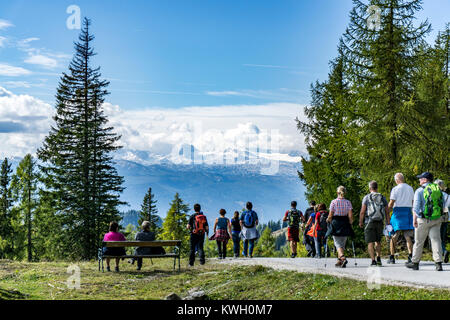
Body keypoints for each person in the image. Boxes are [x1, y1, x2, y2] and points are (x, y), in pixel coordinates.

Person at [406, 172, 445, 271]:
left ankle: (415, 263)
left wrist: (414, 219)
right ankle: (438, 263)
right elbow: (442, 205)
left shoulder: (419, 191)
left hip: (423, 219)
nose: (419, 180)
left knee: (419, 241)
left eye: (421, 178)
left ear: (425, 180)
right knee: (436, 240)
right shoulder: (438, 189)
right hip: (436, 219)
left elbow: (416, 207)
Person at [386, 173, 415, 264]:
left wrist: (387, 211)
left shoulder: (395, 189)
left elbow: (391, 203)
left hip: (397, 213)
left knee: (394, 235)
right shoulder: (410, 188)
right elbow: (413, 202)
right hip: (407, 212)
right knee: (407, 236)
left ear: (397, 180)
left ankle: (392, 257)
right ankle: (410, 256)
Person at [359, 181, 390, 266]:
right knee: (378, 241)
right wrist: (388, 223)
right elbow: (387, 212)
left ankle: (373, 261)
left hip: (369, 221)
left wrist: (361, 222)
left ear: (370, 188)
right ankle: (379, 258)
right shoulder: (382, 197)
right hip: (379, 221)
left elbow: (362, 211)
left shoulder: (366, 197)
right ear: (377, 188)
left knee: (370, 242)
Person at [326, 186, 354, 268]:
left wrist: (328, 220)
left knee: (337, 243)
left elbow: (330, 215)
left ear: (337, 192)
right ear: (345, 193)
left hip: (336, 223)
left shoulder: (334, 202)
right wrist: (351, 222)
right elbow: (350, 215)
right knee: (342, 243)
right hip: (345, 222)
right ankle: (339, 261)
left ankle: (342, 257)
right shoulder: (348, 202)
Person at [435, 179, 450, 263]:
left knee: (436, 237)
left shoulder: (435, 194)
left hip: (437, 217)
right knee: (442, 237)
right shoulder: (447, 196)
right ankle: (443, 251)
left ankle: (442, 252)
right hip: (446, 217)